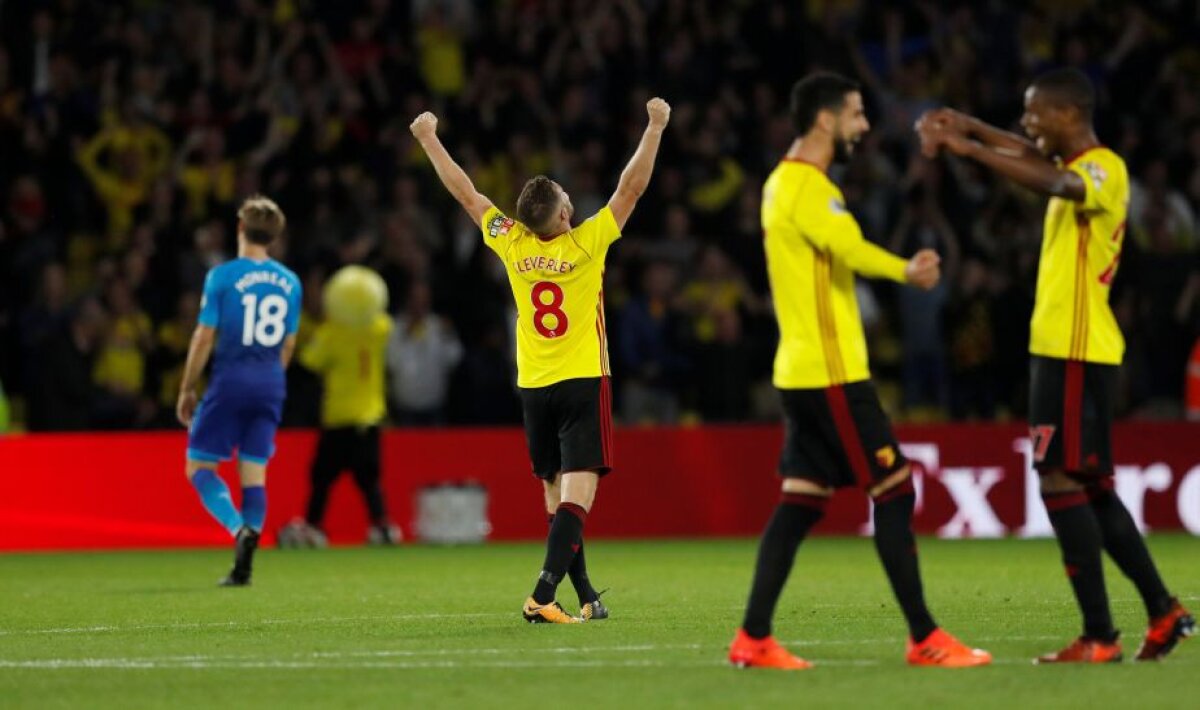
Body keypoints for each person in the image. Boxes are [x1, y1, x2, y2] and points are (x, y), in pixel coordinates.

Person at [918, 67, 1195, 663]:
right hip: (1065, 349)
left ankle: (1100, 636)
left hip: (1075, 350)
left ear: (1069, 115)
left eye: (1036, 111)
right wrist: (968, 126)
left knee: (1060, 481)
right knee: (1089, 487)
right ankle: (1163, 611)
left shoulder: (1103, 168)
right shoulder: (1073, 163)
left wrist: (966, 146)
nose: (1027, 122)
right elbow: (1027, 153)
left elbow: (1059, 183)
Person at [728, 72, 991, 670]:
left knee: (800, 501)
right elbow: (851, 248)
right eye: (856, 114)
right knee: (895, 491)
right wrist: (907, 271)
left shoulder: (781, 183)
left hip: (801, 371)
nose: (864, 126)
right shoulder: (806, 187)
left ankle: (753, 637)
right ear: (824, 119)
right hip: (832, 374)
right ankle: (924, 636)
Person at [409, 97, 672, 623]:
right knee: (580, 495)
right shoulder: (588, 242)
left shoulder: (511, 242)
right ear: (567, 214)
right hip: (581, 378)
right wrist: (655, 125)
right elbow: (632, 188)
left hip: (533, 384)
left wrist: (428, 139)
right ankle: (542, 594)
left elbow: (466, 193)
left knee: (556, 498)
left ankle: (588, 596)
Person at [176, 195, 301, 586]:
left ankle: (237, 529)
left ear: (240, 229)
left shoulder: (222, 277)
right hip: (270, 382)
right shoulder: (290, 282)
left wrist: (186, 387)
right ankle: (243, 565)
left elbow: (203, 335)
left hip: (230, 379)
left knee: (199, 466)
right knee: (254, 475)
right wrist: (270, 379)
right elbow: (289, 343)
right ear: (275, 236)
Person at [298, 265, 399, 545]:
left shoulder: (331, 334)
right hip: (370, 417)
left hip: (339, 418)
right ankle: (382, 527)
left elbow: (309, 362)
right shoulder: (379, 327)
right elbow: (387, 324)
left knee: (322, 477)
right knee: (369, 480)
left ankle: (312, 526)